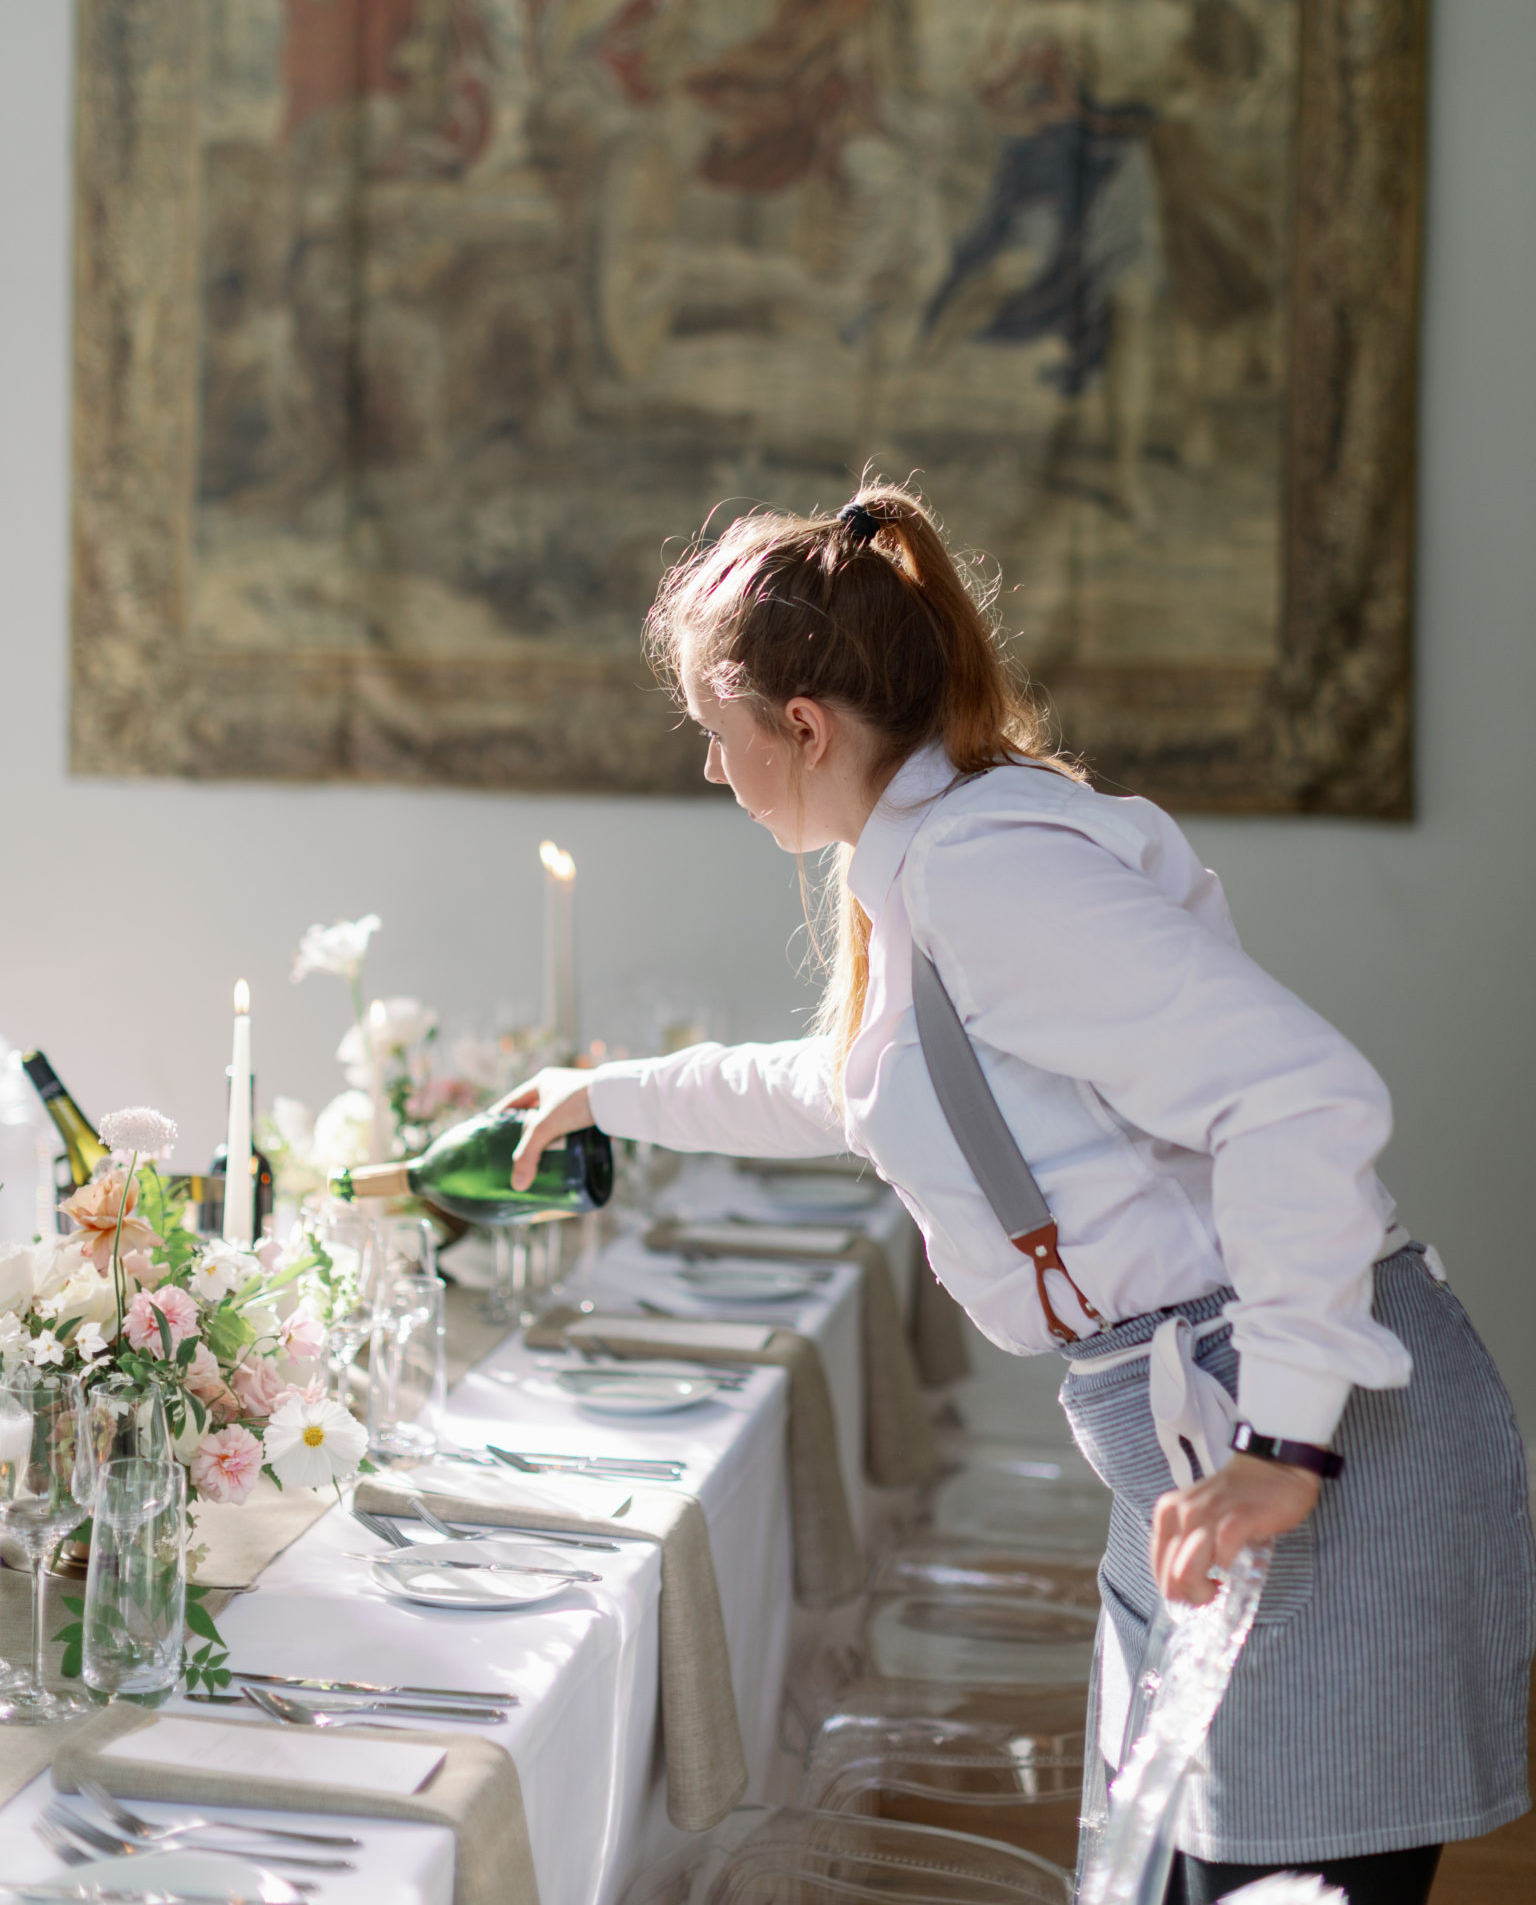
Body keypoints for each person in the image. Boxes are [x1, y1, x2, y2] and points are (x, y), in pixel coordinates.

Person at [498, 482, 1533, 1903]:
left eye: (712, 736)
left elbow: (1302, 1097)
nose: (712, 771)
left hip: (1306, 1455)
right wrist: (608, 1094)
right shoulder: (930, 862)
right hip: (1196, 1445)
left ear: (802, 728)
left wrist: (1285, 1448)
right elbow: (853, 1090)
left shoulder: (986, 876)